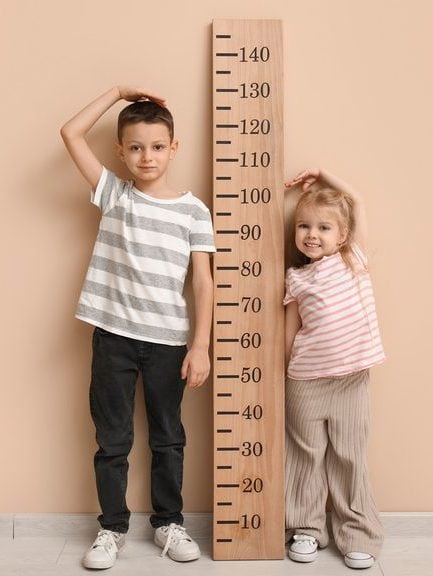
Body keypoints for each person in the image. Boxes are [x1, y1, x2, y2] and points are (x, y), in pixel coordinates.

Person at [60, 86, 215, 568]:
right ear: (120, 151)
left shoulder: (194, 210)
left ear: (174, 147)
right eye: (135, 147)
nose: (147, 156)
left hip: (169, 342)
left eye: (157, 146)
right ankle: (111, 528)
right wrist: (118, 93)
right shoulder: (115, 195)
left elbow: (204, 283)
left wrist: (200, 347)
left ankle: (169, 523)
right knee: (113, 440)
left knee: (168, 437)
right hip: (114, 338)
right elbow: (70, 132)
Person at [283, 168, 385, 570]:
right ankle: (305, 528)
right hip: (305, 382)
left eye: (324, 228)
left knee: (349, 457)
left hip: (352, 380)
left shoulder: (353, 258)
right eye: (304, 226)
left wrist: (324, 175)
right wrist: (285, 375)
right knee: (305, 457)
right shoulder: (296, 277)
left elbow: (356, 201)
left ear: (342, 236)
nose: (312, 234)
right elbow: (290, 332)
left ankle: (358, 533)